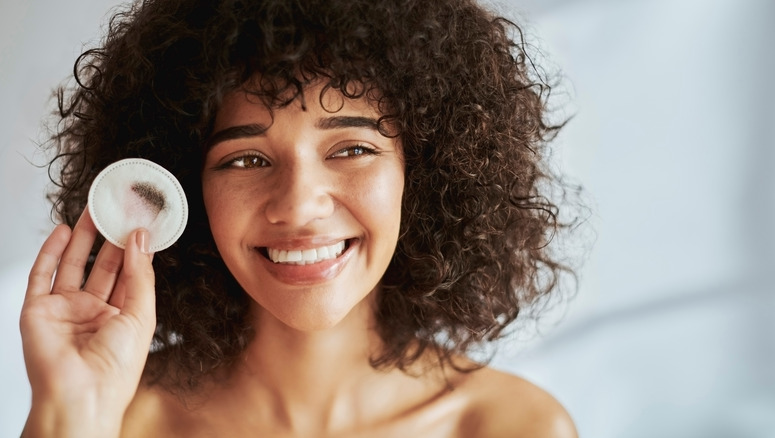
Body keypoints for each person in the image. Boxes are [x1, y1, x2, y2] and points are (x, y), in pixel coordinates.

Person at [19, 0, 579, 436]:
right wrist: (70, 412)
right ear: (187, 190)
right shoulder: (113, 418)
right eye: (246, 159)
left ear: (427, 172)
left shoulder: (511, 427)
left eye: (352, 149)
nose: (298, 205)